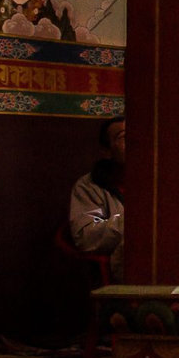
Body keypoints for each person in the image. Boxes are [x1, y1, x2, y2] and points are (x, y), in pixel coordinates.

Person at [70, 117, 125, 279]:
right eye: (124, 137)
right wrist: (133, 224)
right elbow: (85, 236)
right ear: (107, 151)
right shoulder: (89, 186)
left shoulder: (157, 181)